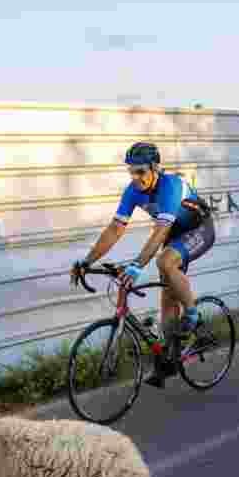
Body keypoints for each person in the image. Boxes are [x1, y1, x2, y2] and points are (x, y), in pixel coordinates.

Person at [70, 142, 216, 387]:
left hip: (198, 229)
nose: (136, 177)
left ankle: (193, 315)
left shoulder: (170, 186)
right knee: (167, 299)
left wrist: (137, 265)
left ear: (155, 168)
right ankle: (167, 361)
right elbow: (115, 228)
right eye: (131, 171)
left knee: (165, 261)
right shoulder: (133, 191)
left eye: (141, 172)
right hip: (173, 234)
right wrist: (86, 262)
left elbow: (160, 231)